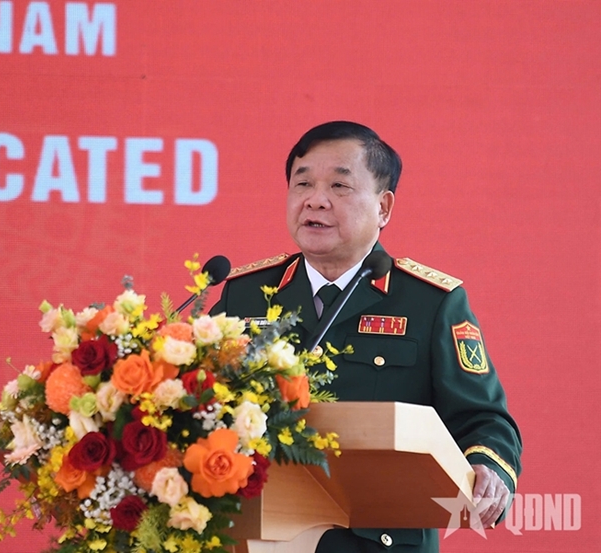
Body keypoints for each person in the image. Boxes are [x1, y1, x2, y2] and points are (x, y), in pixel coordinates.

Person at [210, 121, 522, 552]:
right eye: (303, 183)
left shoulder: (430, 303)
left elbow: (483, 419)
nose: (315, 200)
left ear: (383, 207)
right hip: (259, 535)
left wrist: (489, 468)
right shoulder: (245, 294)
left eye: (339, 186)